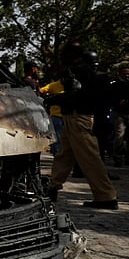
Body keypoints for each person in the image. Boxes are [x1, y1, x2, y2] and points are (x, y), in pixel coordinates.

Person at [46, 45, 118, 209]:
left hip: (79, 118)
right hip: (74, 118)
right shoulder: (87, 72)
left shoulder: (79, 71)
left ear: (73, 55)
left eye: (64, 53)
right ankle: (52, 187)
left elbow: (77, 95)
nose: (61, 56)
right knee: (64, 155)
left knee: (90, 158)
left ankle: (106, 196)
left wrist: (55, 100)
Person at [109, 65, 129, 166]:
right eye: (124, 74)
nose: (127, 76)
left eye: (128, 73)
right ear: (120, 74)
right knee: (119, 136)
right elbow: (110, 98)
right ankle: (117, 158)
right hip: (119, 113)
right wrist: (118, 102)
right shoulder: (115, 85)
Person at [40, 78, 65, 156]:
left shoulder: (53, 85)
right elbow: (42, 90)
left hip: (60, 116)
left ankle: (58, 156)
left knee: (58, 139)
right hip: (61, 116)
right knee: (58, 139)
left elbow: (41, 91)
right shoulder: (73, 85)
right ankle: (58, 156)